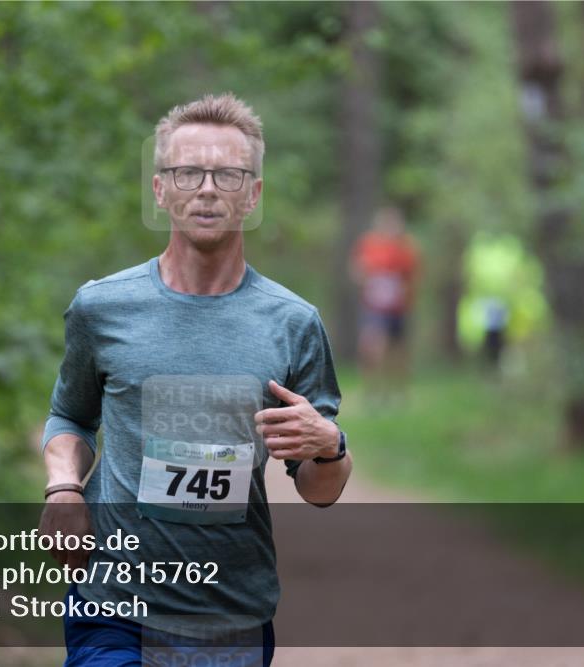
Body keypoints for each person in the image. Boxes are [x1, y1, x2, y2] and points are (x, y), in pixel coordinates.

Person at [38, 93, 352, 666]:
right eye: (188, 172)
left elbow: (319, 488)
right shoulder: (101, 308)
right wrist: (63, 487)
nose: (207, 189)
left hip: (232, 612)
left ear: (252, 194)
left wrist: (330, 446)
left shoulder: (293, 324)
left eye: (228, 174)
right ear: (161, 189)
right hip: (113, 605)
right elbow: (71, 416)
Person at [350, 206, 420, 399]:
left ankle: (398, 391)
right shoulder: (369, 244)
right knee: (372, 346)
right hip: (374, 306)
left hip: (398, 307)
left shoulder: (406, 247)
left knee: (397, 351)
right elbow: (357, 270)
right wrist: (366, 278)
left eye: (394, 223)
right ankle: (372, 390)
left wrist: (403, 289)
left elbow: (413, 276)